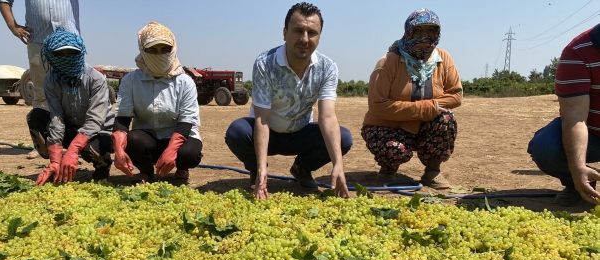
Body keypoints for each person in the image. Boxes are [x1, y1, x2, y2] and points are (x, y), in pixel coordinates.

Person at [225, 2, 352, 199]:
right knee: (237, 131)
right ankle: (257, 170)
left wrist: (338, 165)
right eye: (298, 30)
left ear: (320, 36)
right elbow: (262, 119)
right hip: (269, 133)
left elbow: (327, 117)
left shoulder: (327, 68)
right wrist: (261, 167)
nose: (304, 39)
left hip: (301, 132)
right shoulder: (265, 63)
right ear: (285, 33)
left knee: (343, 138)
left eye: (312, 32)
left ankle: (302, 168)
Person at [361, 8, 462, 190]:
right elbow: (377, 105)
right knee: (395, 150)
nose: (425, 38)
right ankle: (388, 169)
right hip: (388, 126)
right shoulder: (388, 62)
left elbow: (456, 95)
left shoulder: (443, 58)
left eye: (431, 32)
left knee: (446, 119)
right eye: (419, 31)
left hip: (424, 127)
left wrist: (429, 109)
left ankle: (433, 172)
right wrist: (425, 108)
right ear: (408, 32)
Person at [111, 21, 203, 183]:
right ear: (142, 50)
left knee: (188, 153)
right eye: (152, 50)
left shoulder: (185, 82)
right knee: (133, 140)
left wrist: (172, 150)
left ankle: (182, 168)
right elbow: (122, 118)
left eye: (165, 49)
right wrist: (118, 149)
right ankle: (146, 171)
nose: (159, 54)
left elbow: (187, 121)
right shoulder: (131, 81)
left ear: (173, 49)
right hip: (149, 138)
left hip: (179, 137)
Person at [0, 0, 80, 159]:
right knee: (41, 94)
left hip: (69, 40)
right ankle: (43, 143)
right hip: (38, 39)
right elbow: (4, 1)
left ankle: (74, 142)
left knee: (71, 93)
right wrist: (13, 26)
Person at [527, 25, 600, 206]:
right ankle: (579, 182)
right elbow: (576, 118)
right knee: (546, 148)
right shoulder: (577, 53)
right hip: (593, 136)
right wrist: (576, 168)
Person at [34, 29, 113, 185]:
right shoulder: (51, 81)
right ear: (50, 56)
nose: (67, 58)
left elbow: (94, 120)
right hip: (72, 127)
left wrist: (73, 149)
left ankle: (102, 165)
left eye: (72, 53)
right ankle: (57, 165)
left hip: (99, 131)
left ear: (80, 53)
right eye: (60, 55)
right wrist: (55, 159)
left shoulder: (95, 79)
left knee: (92, 149)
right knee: (36, 116)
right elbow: (57, 118)